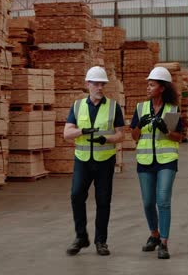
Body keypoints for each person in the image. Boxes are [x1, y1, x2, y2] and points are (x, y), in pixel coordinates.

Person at [63, 66, 126, 256]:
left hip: (104, 161)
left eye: (102, 84)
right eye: (96, 84)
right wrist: (82, 131)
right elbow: (66, 133)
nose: (100, 87)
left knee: (103, 201)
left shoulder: (113, 107)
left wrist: (106, 139)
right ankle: (81, 237)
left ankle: (101, 241)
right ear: (87, 84)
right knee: (76, 196)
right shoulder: (77, 106)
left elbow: (121, 135)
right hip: (83, 160)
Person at [130, 66, 185, 259]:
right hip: (145, 161)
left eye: (151, 85)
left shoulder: (171, 110)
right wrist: (139, 125)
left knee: (162, 200)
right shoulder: (140, 108)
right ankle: (154, 234)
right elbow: (134, 136)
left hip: (166, 161)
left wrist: (166, 131)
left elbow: (177, 138)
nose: (148, 87)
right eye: (148, 84)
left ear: (162, 88)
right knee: (147, 202)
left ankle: (164, 242)